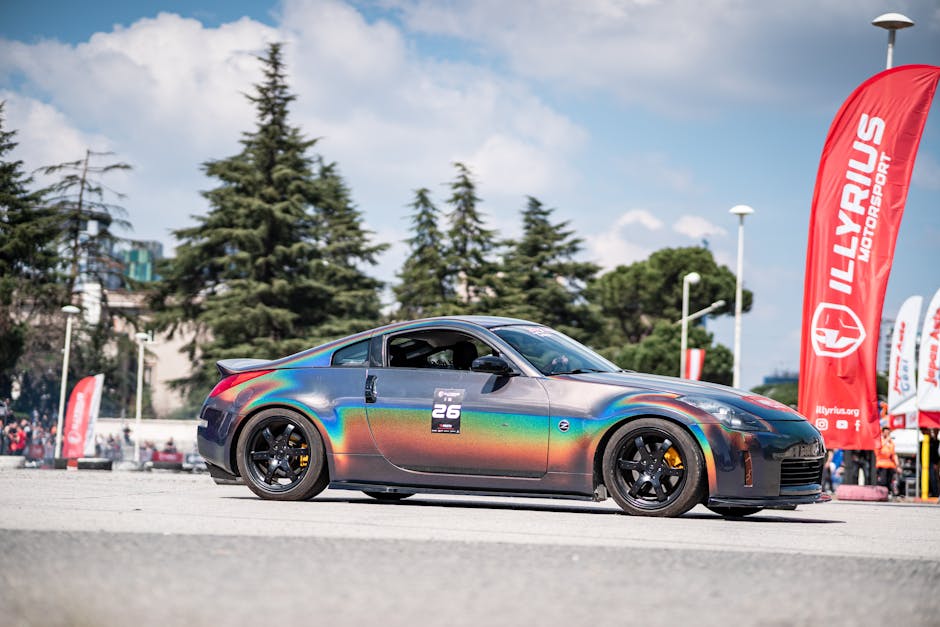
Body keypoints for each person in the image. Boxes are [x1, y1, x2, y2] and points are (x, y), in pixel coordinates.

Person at [875, 427, 899, 496]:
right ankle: (881, 493)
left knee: (890, 480)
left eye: (888, 433)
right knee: (883, 480)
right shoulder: (880, 441)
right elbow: (878, 449)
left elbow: (893, 454)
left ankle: (888, 493)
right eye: (885, 433)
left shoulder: (891, 443)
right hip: (882, 464)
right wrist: (886, 441)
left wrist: (897, 464)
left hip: (890, 464)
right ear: (882, 433)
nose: (887, 434)